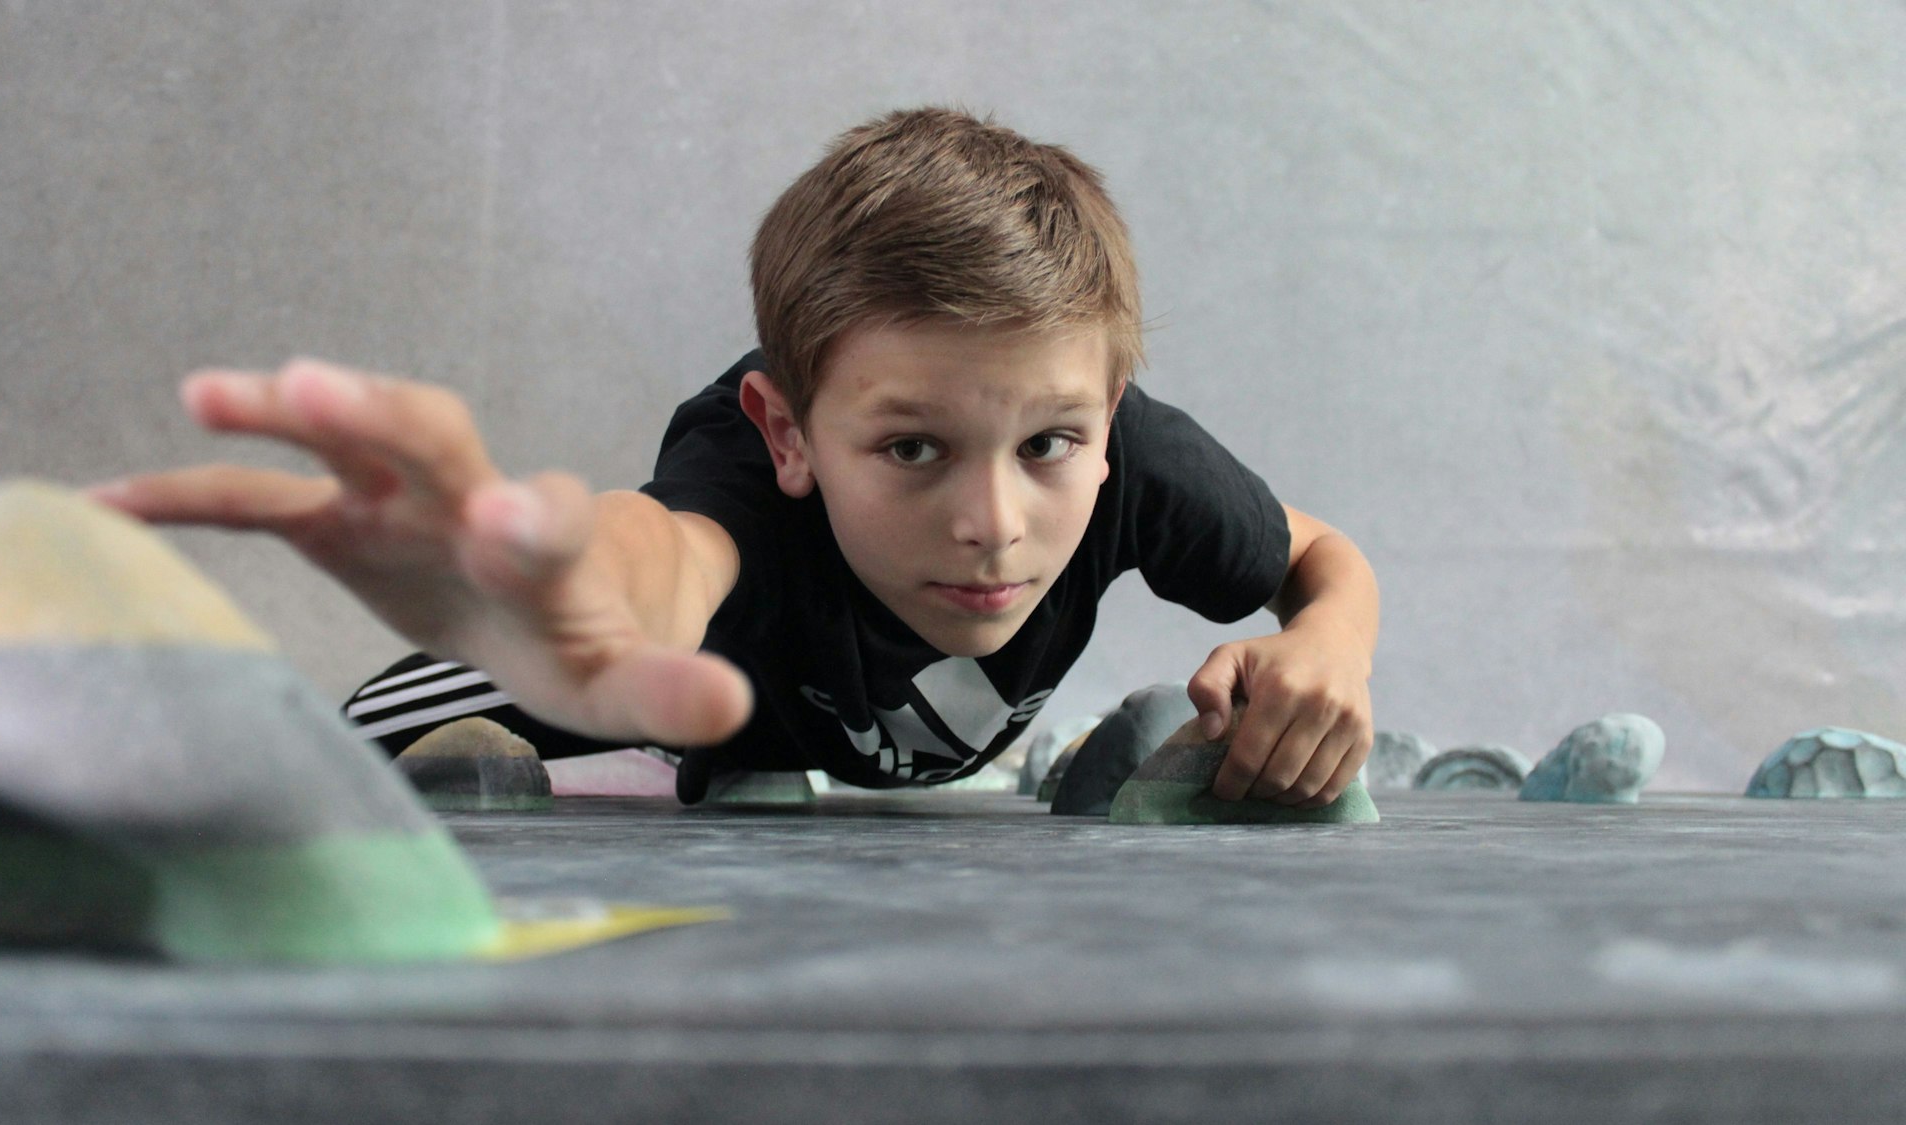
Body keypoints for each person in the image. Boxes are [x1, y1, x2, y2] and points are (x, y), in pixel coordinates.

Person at [92, 107, 1380, 809]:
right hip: (670, 679)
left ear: (1104, 414)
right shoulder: (737, 482)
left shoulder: (1130, 457)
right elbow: (665, 551)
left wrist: (1327, 650)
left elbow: (1323, 559)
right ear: (789, 435)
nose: (993, 517)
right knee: (387, 734)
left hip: (861, 734)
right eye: (913, 447)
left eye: (1050, 444)